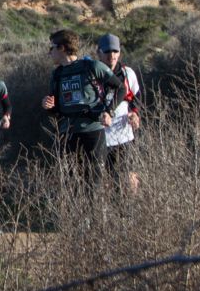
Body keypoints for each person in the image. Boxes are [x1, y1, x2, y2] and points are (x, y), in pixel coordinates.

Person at [40, 29, 121, 173]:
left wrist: (109, 111)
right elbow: (55, 109)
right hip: (67, 134)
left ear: (62, 48)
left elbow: (120, 88)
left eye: (51, 47)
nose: (49, 52)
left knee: (94, 180)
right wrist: (48, 106)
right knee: (72, 182)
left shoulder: (92, 66)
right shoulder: (57, 74)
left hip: (92, 131)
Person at [96, 34, 142, 190]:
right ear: (99, 53)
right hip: (101, 137)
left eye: (115, 51)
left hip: (124, 136)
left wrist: (135, 114)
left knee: (129, 179)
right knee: (105, 182)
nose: (112, 56)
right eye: (107, 51)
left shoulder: (127, 73)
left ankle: (131, 211)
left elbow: (136, 98)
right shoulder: (91, 74)